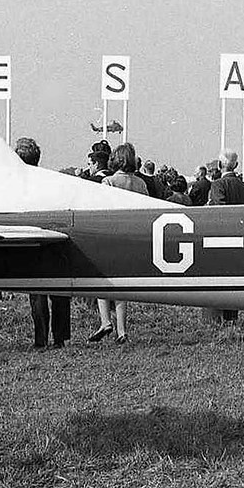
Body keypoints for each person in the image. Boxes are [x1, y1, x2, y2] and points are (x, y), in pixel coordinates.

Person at [15, 138, 71, 349]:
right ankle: (60, 338)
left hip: (33, 243)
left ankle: (40, 338)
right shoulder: (50, 181)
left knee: (38, 293)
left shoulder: (19, 186)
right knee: (59, 293)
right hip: (55, 241)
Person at [92, 142, 147, 343]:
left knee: (101, 282)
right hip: (132, 239)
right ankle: (122, 330)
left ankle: (105, 321)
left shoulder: (108, 182)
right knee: (122, 287)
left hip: (110, 237)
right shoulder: (141, 184)